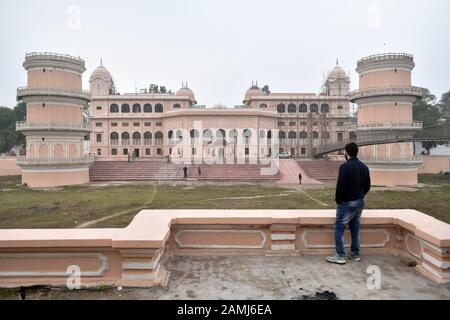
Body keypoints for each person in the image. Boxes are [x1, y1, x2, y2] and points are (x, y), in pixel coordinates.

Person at [327, 142, 371, 265]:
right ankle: (355, 254)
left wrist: (338, 201)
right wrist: (360, 195)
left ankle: (340, 255)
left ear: (346, 153)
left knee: (339, 227)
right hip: (359, 202)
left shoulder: (345, 167)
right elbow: (367, 186)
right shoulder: (364, 167)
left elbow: (340, 187)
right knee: (355, 228)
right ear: (357, 152)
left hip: (347, 203)